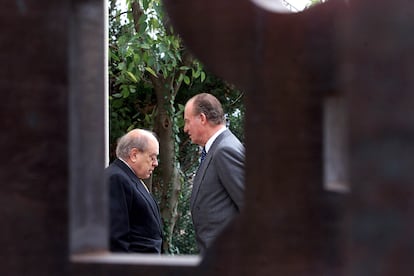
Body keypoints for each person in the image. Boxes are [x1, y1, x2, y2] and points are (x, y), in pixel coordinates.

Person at [184, 93, 245, 255]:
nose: (185, 129)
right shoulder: (217, 148)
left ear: (202, 118)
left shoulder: (225, 150)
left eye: (187, 121)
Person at [105, 128, 163, 253]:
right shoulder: (116, 179)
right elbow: (115, 238)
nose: (156, 163)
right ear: (134, 155)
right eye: (152, 157)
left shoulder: (128, 177)